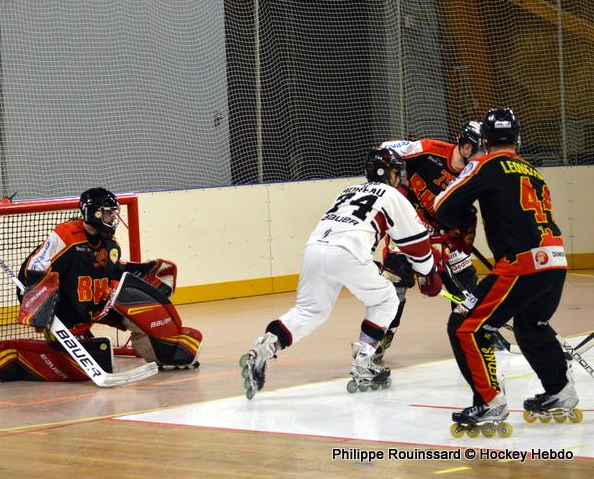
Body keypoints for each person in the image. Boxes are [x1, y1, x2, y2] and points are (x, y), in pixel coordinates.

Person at [240, 148, 443, 399]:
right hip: (348, 253)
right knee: (386, 299)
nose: (400, 178)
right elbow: (417, 243)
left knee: (310, 311)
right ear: (389, 173)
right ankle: (363, 361)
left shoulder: (347, 190)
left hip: (315, 249)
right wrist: (428, 272)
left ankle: (263, 348)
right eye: (397, 173)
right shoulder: (392, 194)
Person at [435, 108, 576, 436]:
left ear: (484, 139)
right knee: (531, 324)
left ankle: (489, 401)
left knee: (465, 325)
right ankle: (560, 390)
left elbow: (443, 205)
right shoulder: (532, 170)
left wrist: (458, 221)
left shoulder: (483, 165)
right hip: (555, 261)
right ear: (517, 138)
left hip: (521, 264)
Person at [0, 187, 202, 382]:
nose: (113, 218)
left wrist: (145, 268)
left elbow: (114, 269)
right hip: (66, 316)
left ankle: (165, 356)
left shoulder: (110, 244)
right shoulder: (65, 236)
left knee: (143, 323)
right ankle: (14, 358)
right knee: (98, 358)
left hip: (99, 305)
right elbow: (34, 269)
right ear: (95, 213)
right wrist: (37, 304)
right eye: (109, 212)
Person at [375, 121, 482, 361]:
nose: (482, 155)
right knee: (395, 286)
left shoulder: (474, 173)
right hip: (407, 228)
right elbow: (386, 149)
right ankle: (380, 337)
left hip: (441, 233)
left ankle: (471, 332)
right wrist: (399, 187)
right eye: (478, 149)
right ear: (465, 147)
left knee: (466, 279)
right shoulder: (429, 149)